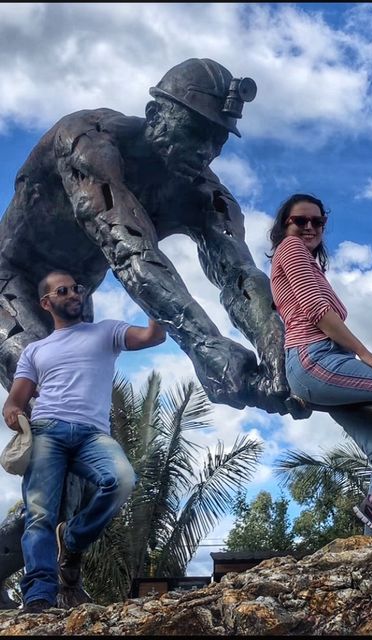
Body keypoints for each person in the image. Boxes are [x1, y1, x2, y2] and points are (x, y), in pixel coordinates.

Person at [0, 57, 289, 417]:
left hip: (72, 294)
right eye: (195, 132)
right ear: (154, 114)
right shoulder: (86, 139)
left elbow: (239, 275)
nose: (205, 152)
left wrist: (277, 347)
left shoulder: (202, 190)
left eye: (217, 142)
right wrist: (205, 346)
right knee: (51, 396)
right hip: (9, 279)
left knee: (84, 414)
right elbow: (130, 251)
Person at [268, 193, 372, 541]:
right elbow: (316, 310)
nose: (309, 227)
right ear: (284, 225)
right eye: (300, 220)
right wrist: (365, 354)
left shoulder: (310, 265)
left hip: (321, 363)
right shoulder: (291, 249)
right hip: (315, 358)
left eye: (318, 222)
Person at [3, 270, 166, 614]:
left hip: (93, 435)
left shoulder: (106, 331)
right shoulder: (36, 350)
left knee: (122, 481)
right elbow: (16, 399)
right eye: (64, 290)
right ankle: (39, 595)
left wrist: (155, 299)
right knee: (39, 515)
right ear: (46, 303)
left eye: (77, 288)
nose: (74, 294)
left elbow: (152, 336)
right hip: (48, 430)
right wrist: (13, 411)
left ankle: (73, 539)